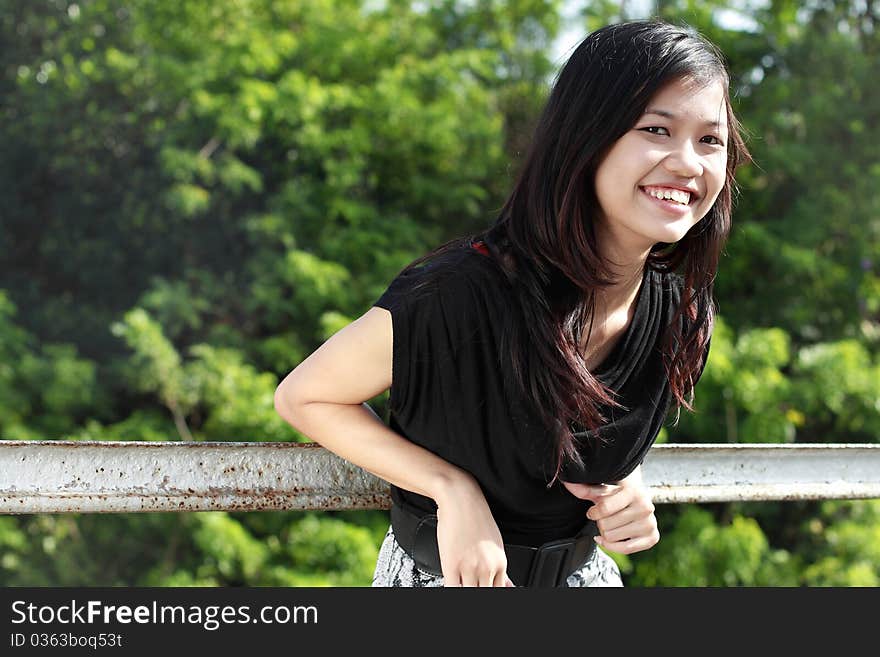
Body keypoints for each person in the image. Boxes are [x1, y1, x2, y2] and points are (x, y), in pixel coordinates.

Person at [273, 19, 751, 587]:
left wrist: (626, 484)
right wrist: (450, 488)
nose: (688, 163)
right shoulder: (461, 293)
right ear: (585, 139)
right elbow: (306, 397)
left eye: (710, 139)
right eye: (655, 129)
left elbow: (568, 436)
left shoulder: (681, 308)